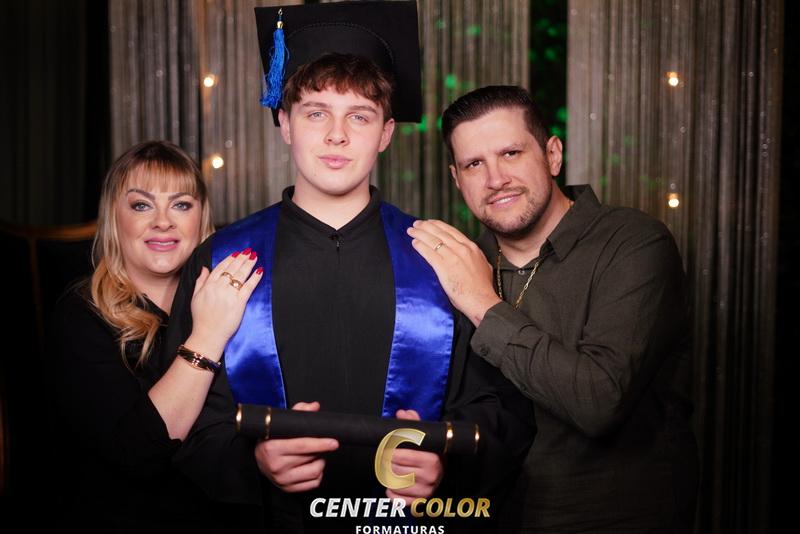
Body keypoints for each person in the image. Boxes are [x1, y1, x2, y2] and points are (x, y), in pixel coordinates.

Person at [162, 3, 533, 533]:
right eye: (316, 113)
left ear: (386, 132)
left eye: (359, 116)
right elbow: (190, 424)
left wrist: (445, 464)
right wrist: (251, 462)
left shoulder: (442, 257)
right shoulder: (223, 259)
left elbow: (497, 410)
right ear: (284, 123)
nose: (336, 135)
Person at [408, 85, 698, 532]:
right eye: (474, 164)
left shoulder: (633, 243)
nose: (495, 179)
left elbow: (600, 402)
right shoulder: (460, 265)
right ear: (457, 179)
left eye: (510, 153)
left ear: (553, 155)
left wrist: (483, 304)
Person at [51, 140, 263, 531]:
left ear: (201, 216)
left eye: (181, 205)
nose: (163, 222)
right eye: (141, 205)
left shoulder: (237, 301)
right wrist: (208, 336)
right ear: (114, 217)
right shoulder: (81, 315)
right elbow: (136, 455)